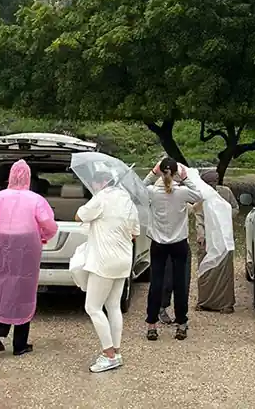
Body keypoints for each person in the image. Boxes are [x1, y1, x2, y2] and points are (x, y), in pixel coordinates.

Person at [0, 159, 57, 356]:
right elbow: (49, 225)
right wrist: (43, 235)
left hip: (1, 245)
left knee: (1, 284)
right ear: (29, 178)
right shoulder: (36, 199)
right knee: (24, 288)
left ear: (10, 176)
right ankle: (20, 344)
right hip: (26, 246)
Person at [75, 171, 140, 373]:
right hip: (123, 262)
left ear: (102, 182)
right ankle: (116, 351)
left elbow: (78, 216)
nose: (92, 187)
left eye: (94, 183)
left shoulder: (101, 198)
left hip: (103, 262)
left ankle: (108, 354)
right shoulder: (127, 201)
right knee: (113, 306)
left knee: (93, 307)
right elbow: (135, 233)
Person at [143, 157, 203, 341]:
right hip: (179, 243)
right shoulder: (183, 192)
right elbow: (200, 195)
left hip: (158, 243)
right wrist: (185, 178)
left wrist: (152, 174)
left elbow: (137, 188)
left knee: (156, 284)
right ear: (176, 173)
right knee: (180, 283)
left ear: (160, 172)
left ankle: (152, 325)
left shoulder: (152, 192)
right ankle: (181, 323)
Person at [192, 169, 237, 313]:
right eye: (209, 182)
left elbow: (235, 208)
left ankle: (225, 303)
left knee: (224, 271)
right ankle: (205, 301)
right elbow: (199, 216)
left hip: (223, 236)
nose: (212, 184)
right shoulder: (202, 195)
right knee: (206, 268)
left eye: (214, 182)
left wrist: (223, 215)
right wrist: (201, 235)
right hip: (207, 237)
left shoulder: (226, 192)